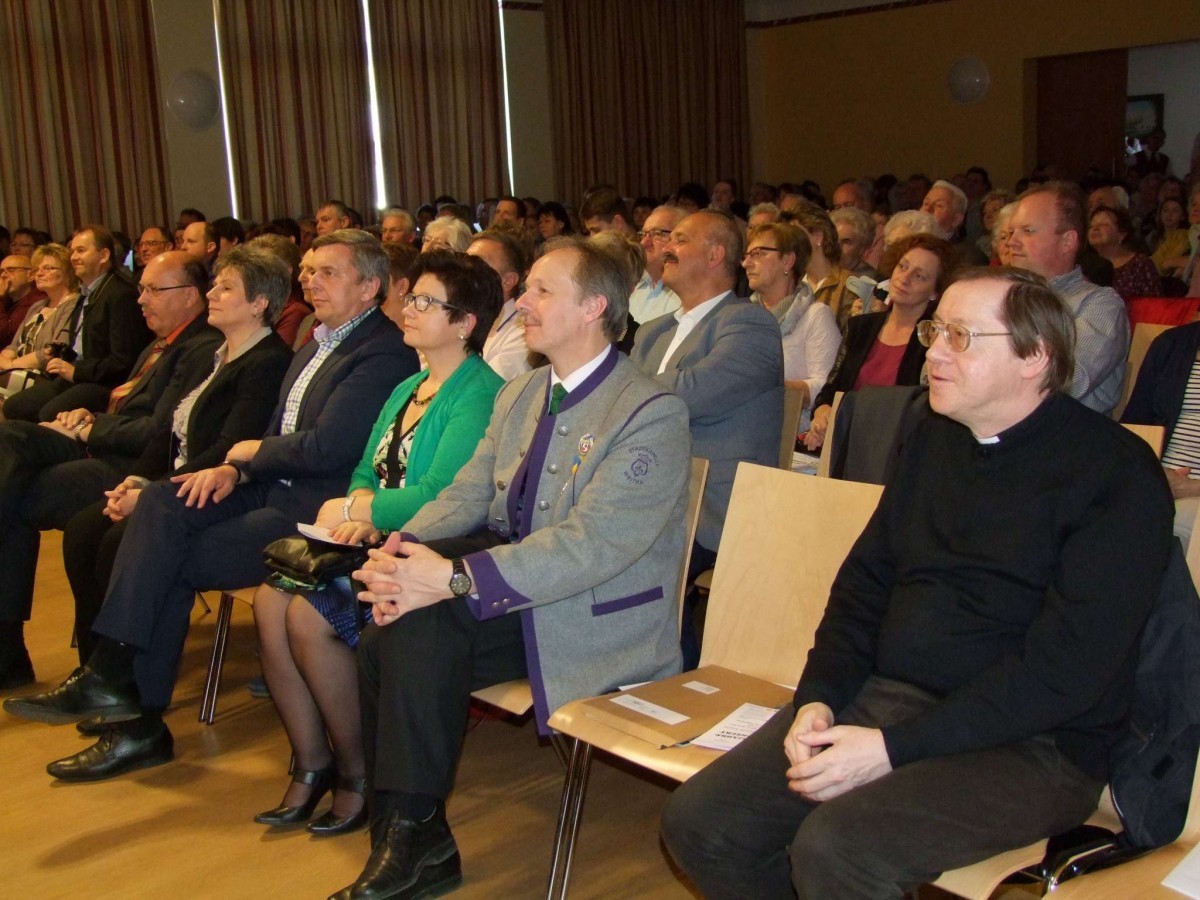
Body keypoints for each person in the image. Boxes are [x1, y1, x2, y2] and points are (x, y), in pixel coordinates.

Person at [661, 267, 1174, 899]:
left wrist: (893, 749)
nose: (933, 352)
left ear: (1034, 356)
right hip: (891, 701)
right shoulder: (935, 438)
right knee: (703, 823)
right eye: (937, 331)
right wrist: (820, 696)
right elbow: (864, 585)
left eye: (962, 336)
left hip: (1038, 742)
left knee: (839, 848)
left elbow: (1066, 672)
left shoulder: (1115, 474)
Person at [332, 240, 691, 898]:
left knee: (417, 627)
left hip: (590, 610)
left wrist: (452, 579)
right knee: (392, 625)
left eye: (541, 291)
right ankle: (406, 830)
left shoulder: (650, 412)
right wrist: (401, 548)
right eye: (526, 289)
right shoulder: (524, 390)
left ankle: (411, 835)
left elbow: (592, 546)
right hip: (519, 586)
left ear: (594, 308)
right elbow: (469, 493)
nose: (521, 301)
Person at [4, 230, 418, 781]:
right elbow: (277, 432)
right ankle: (113, 683)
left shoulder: (381, 351)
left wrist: (249, 455)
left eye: (328, 273)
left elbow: (329, 447)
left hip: (313, 511)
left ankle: (131, 711)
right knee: (162, 501)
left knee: (166, 558)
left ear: (369, 287)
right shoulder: (316, 343)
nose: (311, 281)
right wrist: (232, 469)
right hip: (268, 486)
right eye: (310, 270)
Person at [250, 251, 502, 837]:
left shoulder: (480, 392)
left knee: (308, 617)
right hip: (373, 537)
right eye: (410, 298)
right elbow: (366, 467)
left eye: (425, 302)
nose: (408, 309)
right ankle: (312, 762)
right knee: (268, 600)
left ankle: (359, 772)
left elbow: (442, 494)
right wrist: (359, 507)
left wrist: (361, 511)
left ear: (464, 322)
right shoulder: (410, 384)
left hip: (428, 547)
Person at [59, 246, 295, 667]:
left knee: (114, 541)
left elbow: (226, 448)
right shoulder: (220, 354)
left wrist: (152, 492)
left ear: (259, 303)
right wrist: (135, 480)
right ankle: (92, 670)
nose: (211, 294)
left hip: (217, 488)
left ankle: (118, 671)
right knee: (82, 530)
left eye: (226, 288)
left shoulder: (267, 362)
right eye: (214, 285)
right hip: (178, 482)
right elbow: (169, 432)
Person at [0, 251, 215, 687]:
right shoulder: (159, 344)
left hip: (127, 466)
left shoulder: (200, 348)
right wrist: (87, 413)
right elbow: (128, 401)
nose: (141, 299)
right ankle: (9, 654)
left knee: (13, 476)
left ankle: (11, 655)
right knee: (9, 451)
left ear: (190, 295)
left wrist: (91, 428)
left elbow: (158, 433)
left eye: (154, 290)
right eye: (142, 289)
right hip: (100, 443)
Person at [631, 210, 783, 667]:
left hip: (715, 505)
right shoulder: (652, 331)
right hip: (653, 492)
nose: (665, 248)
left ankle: (672, 683)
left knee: (639, 562)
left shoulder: (749, 324)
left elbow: (693, 393)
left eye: (679, 239)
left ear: (716, 255)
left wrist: (617, 389)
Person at [806, 234, 956, 451]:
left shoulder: (933, 340)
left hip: (900, 450)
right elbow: (830, 391)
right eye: (902, 266)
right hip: (848, 443)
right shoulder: (860, 327)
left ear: (935, 292)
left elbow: (926, 412)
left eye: (919, 276)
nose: (904, 278)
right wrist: (822, 412)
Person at [3, 224, 149, 423]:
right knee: (14, 406)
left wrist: (76, 371)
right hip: (75, 375)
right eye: (72, 251)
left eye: (81, 250)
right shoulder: (85, 294)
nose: (73, 257)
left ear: (104, 255)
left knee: (47, 414)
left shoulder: (120, 295)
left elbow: (123, 361)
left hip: (103, 382)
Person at [1008, 182, 1129, 416]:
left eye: (1028, 231)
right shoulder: (997, 296)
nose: (1012, 241)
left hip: (1064, 431)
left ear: (1067, 241)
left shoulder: (1098, 305)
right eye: (1011, 232)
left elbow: (1069, 382)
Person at [744, 222, 840, 433]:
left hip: (792, 436)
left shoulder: (816, 316)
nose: (746, 263)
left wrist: (766, 385)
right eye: (747, 255)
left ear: (787, 261)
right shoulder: (742, 317)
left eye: (757, 253)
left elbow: (825, 388)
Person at [0, 244, 79, 399]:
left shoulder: (73, 304)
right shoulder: (38, 306)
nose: (40, 273)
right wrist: (6, 362)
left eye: (48, 268)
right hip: (17, 370)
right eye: (37, 269)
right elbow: (13, 346)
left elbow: (52, 351)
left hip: (46, 376)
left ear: (68, 273)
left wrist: (11, 365)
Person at [467, 228, 532, 380]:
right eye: (464, 260)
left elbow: (483, 387)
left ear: (507, 281)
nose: (463, 269)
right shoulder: (456, 317)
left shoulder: (522, 333)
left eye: (477, 263)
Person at [784, 203, 856, 329]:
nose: (788, 243)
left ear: (818, 237)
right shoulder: (790, 282)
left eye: (795, 236)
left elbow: (850, 335)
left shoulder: (848, 285)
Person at [1087, 205, 1160, 301]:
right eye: (1092, 225)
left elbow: (1155, 304)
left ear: (1121, 234)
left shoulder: (1140, 264)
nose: (1095, 228)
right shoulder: (1084, 266)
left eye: (1104, 224)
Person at [628, 205, 686, 324]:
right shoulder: (630, 284)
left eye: (656, 234)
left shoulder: (687, 295)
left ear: (680, 241)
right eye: (643, 234)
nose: (644, 242)